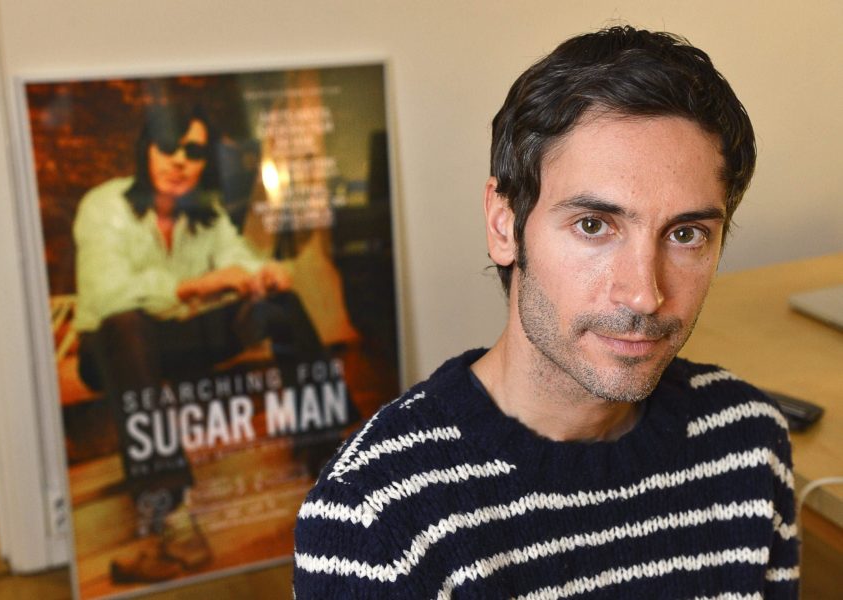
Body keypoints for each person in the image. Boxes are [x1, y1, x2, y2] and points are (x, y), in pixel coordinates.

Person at [293, 26, 799, 598]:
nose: (644, 295)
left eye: (686, 234)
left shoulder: (748, 442)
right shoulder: (374, 519)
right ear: (503, 225)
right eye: (594, 225)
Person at [73, 103, 325, 583]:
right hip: (110, 349)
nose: (179, 160)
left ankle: (329, 456)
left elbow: (237, 258)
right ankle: (173, 518)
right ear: (146, 149)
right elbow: (105, 296)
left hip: (179, 339)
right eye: (168, 146)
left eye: (193, 151)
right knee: (125, 325)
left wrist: (263, 274)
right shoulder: (104, 206)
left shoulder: (204, 210)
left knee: (281, 304)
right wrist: (196, 285)